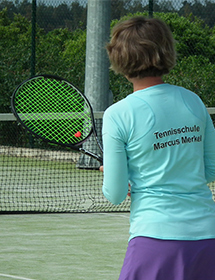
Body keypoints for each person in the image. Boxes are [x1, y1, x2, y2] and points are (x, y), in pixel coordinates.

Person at [100, 16, 215, 280]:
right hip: (208, 239)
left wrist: (124, 177)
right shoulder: (194, 101)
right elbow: (210, 169)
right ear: (166, 51)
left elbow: (115, 194)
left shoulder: (118, 114)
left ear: (119, 59)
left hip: (154, 240)